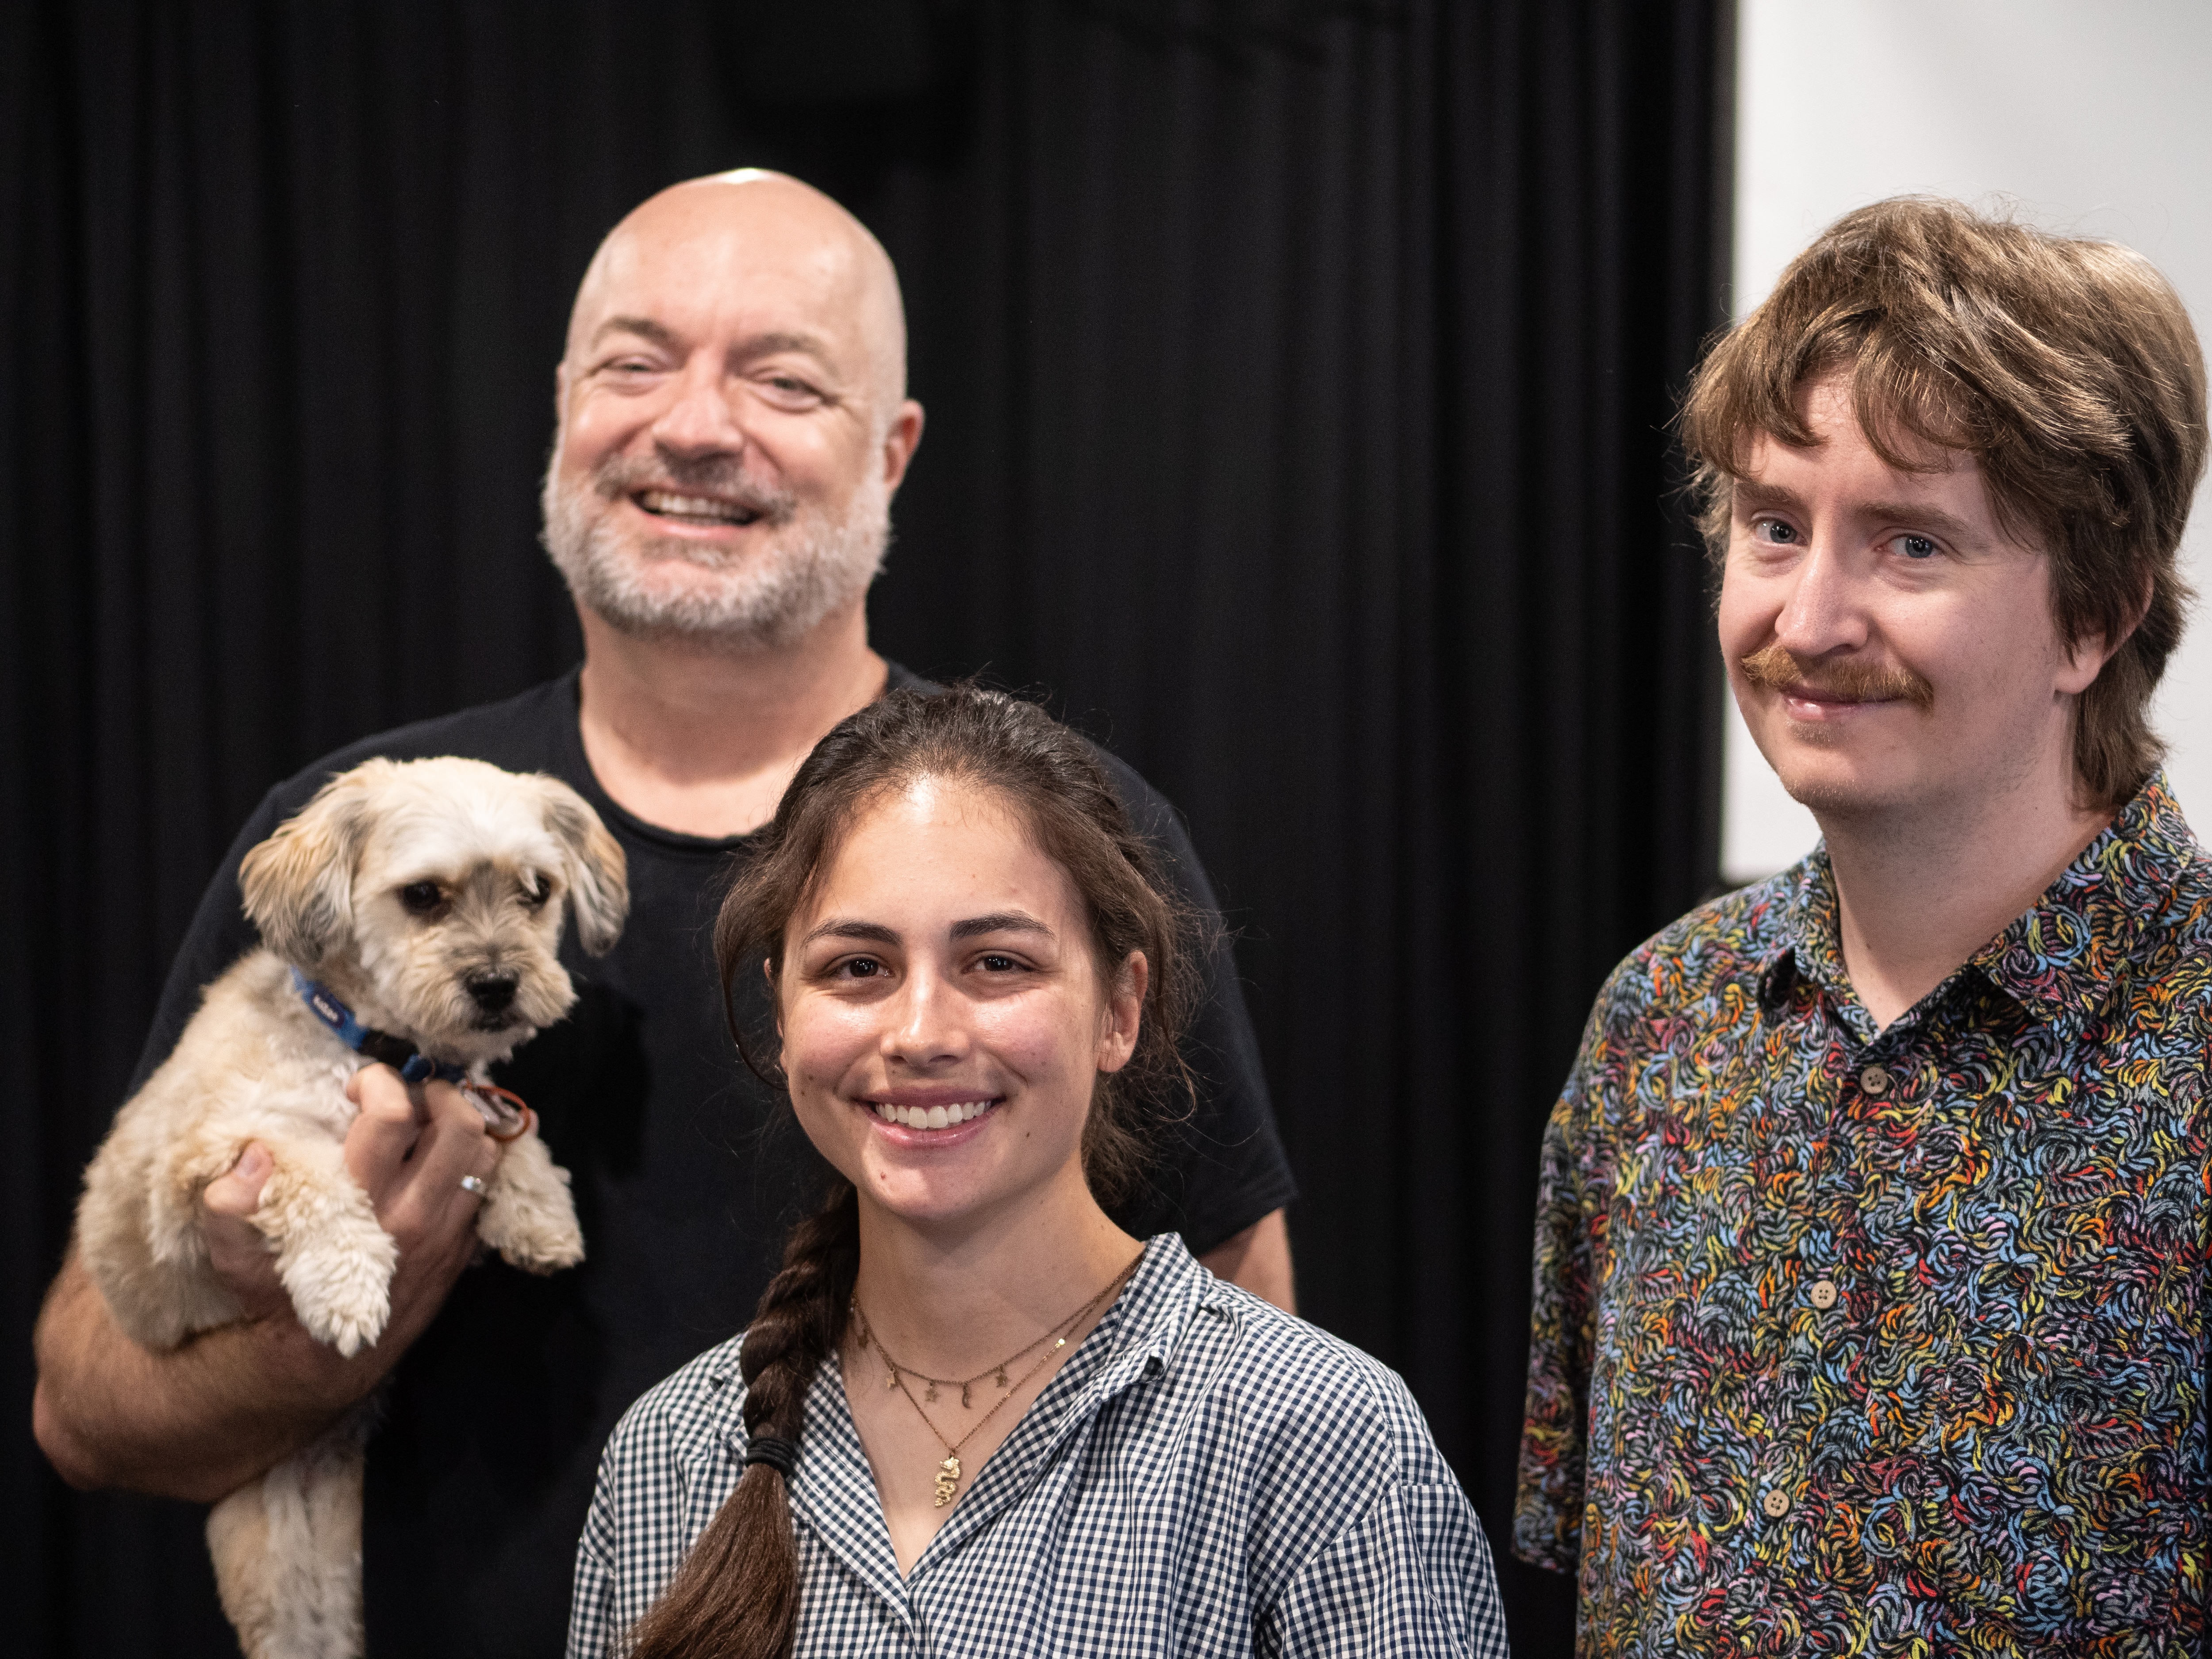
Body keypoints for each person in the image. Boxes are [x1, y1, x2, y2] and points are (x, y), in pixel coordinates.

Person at [33, 170, 1296, 1655]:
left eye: (782, 379)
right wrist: (323, 1330)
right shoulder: (351, 837)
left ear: (891, 451)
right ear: (563, 405)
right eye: (637, 362)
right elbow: (86, 1410)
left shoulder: (1071, 838)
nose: (695, 426)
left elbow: (1243, 1359)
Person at [1514, 196, 2212, 1648]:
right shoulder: (1664, 1031)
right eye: (1776, 528)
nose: (1811, 618)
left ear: (2097, 615)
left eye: (1909, 547)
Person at [570, 684, 1506, 1659]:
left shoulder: (1315, 1440)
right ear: (782, 1010)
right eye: (858, 968)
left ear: (1119, 1010)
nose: (921, 1034)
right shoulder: (668, 1461)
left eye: (997, 964)